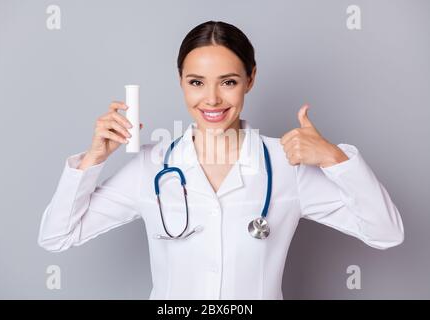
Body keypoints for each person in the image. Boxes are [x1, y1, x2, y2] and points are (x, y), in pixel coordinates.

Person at [38, 20, 404, 300]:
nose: (211, 99)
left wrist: (335, 158)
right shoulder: (153, 166)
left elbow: (386, 233)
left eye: (228, 82)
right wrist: (94, 159)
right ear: (180, 81)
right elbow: (57, 236)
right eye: (196, 82)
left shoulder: (286, 164)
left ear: (250, 79)